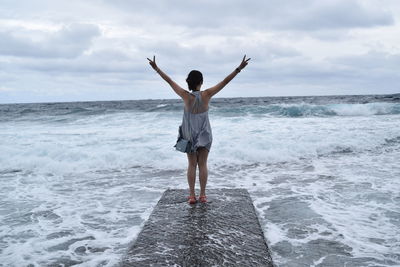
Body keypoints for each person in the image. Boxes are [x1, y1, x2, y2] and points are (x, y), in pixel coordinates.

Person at [147, 55, 251, 204]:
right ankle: (202, 195)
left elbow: (169, 81)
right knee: (202, 164)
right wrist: (239, 68)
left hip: (189, 134)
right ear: (201, 82)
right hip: (205, 133)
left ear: (188, 82)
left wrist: (156, 68)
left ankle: (191, 196)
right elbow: (225, 81)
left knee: (191, 164)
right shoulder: (207, 94)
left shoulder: (185, 96)